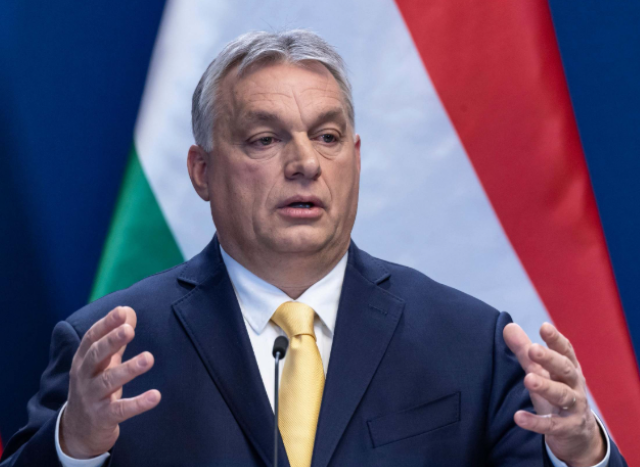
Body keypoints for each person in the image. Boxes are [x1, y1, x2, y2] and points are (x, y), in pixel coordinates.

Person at [0, 30, 627, 467]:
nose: (305, 163)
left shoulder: (469, 343)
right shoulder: (115, 350)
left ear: (355, 159)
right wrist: (75, 447)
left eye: (327, 137)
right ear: (202, 171)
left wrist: (582, 454)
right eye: (265, 139)